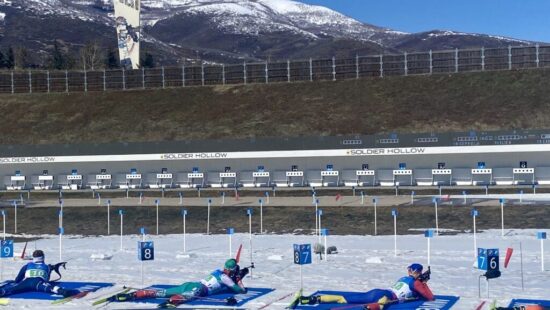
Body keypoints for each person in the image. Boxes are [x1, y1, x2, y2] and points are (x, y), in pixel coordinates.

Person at [300, 263, 434, 310]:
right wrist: (425, 283)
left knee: (343, 298)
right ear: (419, 273)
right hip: (385, 296)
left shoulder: (404, 278)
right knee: (382, 304)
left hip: (378, 291)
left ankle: (313, 299)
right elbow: (429, 298)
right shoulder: (416, 282)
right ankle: (368, 308)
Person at [115, 258, 249, 304]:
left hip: (191, 284)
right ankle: (173, 300)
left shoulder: (218, 271)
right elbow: (239, 290)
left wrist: (238, 275)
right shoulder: (226, 278)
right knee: (187, 296)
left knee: (163, 292)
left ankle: (136, 294)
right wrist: (239, 280)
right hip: (199, 289)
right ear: (231, 270)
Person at [0, 250, 79, 298]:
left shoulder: (27, 265)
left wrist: (17, 282)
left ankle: (2, 292)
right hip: (38, 282)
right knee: (51, 288)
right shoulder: (47, 267)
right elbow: (47, 279)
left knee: (11, 290)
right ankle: (63, 292)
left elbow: (17, 279)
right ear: (43, 257)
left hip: (26, 282)